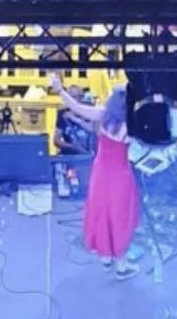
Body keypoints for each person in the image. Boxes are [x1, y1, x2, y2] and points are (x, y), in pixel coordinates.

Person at [49, 73, 139, 278]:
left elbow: (76, 107)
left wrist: (59, 89)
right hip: (119, 176)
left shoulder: (103, 116)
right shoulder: (129, 127)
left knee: (102, 213)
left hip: (100, 172)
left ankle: (106, 257)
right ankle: (121, 266)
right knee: (120, 217)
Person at [54, 84, 96, 155]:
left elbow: (95, 131)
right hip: (70, 155)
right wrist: (72, 147)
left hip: (90, 156)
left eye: (80, 96)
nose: (76, 99)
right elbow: (56, 140)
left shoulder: (90, 110)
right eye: (73, 97)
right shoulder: (62, 113)